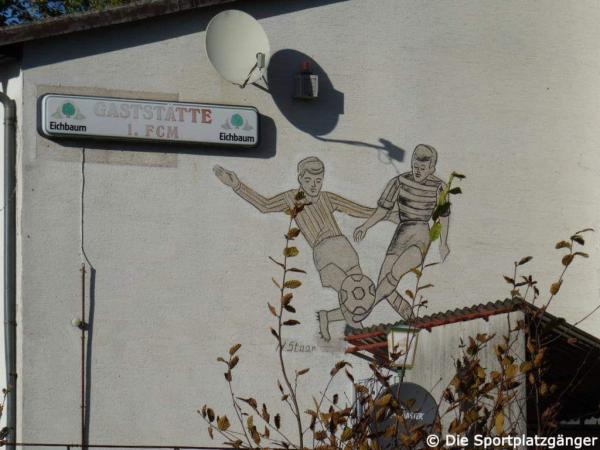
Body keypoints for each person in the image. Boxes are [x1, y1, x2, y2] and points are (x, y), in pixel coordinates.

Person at [214, 157, 394, 340]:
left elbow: (358, 210)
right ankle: (360, 333)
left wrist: (388, 216)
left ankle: (330, 318)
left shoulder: (327, 198)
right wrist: (237, 186)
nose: (314, 186)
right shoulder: (291, 198)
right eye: (308, 180)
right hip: (324, 253)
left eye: (318, 181)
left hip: (344, 249)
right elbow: (264, 205)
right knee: (348, 294)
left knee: (364, 297)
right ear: (300, 179)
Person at [354, 144, 451, 319]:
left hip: (420, 233)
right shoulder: (399, 181)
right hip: (401, 233)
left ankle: (367, 309)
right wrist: (365, 226)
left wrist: (443, 243)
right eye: (415, 167)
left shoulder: (439, 187)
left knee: (397, 270)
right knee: (384, 283)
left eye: (422, 168)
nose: (418, 171)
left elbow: (444, 216)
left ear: (431, 168)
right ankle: (410, 317)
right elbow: (382, 210)